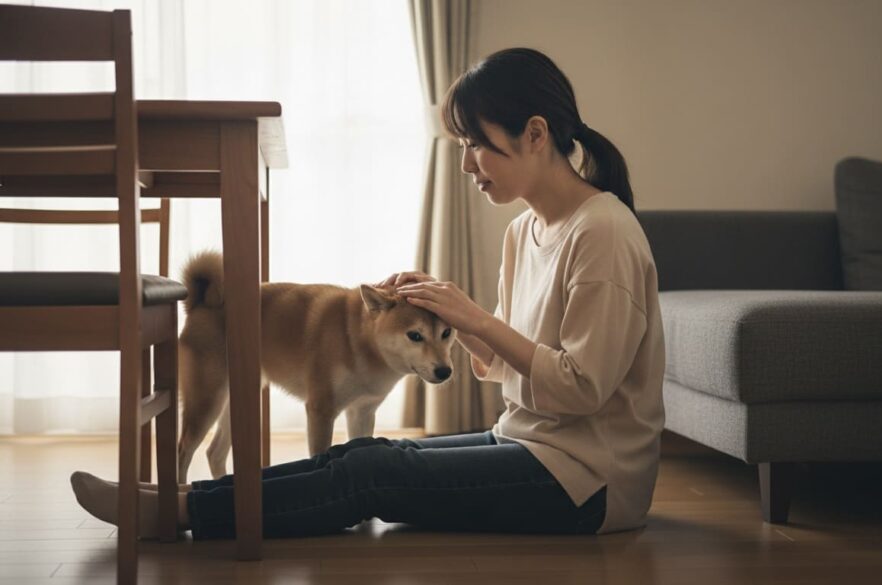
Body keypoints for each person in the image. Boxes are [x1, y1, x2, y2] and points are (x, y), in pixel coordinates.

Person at [70, 47, 665, 539]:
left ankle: (177, 514)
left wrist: (477, 320)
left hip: (589, 483)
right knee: (358, 455)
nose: (466, 164)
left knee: (373, 472)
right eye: (459, 146)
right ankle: (186, 493)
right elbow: (501, 371)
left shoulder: (603, 233)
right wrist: (442, 309)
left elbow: (583, 391)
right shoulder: (524, 232)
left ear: (535, 134)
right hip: (530, 443)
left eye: (474, 143)